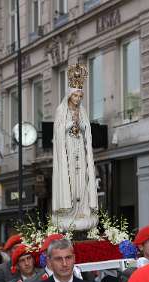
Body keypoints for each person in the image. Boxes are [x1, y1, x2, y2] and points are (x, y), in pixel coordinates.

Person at [52, 63, 98, 231]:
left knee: (82, 178)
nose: (78, 99)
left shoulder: (83, 111)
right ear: (70, 95)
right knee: (70, 178)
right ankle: (69, 210)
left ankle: (82, 210)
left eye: (80, 96)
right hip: (67, 150)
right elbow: (58, 132)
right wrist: (71, 122)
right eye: (76, 96)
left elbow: (87, 130)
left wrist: (82, 126)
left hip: (80, 147)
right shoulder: (61, 110)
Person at [25, 238, 103, 282]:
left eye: (68, 258)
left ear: (74, 259)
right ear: (49, 261)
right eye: (58, 259)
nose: (64, 264)